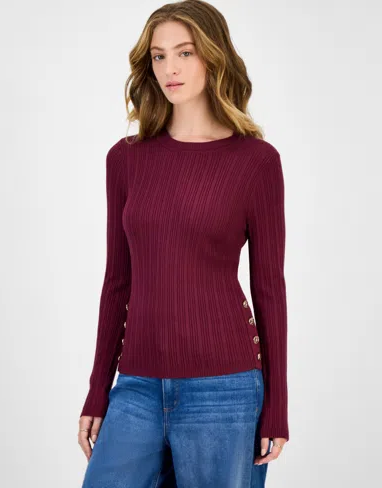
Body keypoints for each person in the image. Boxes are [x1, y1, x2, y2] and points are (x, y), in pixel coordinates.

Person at [78, 1, 289, 486]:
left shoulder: (256, 161)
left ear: (213, 57)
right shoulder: (125, 160)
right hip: (136, 386)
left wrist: (277, 405)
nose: (169, 68)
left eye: (185, 52)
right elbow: (117, 282)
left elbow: (269, 289)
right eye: (159, 56)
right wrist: (97, 390)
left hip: (225, 389)